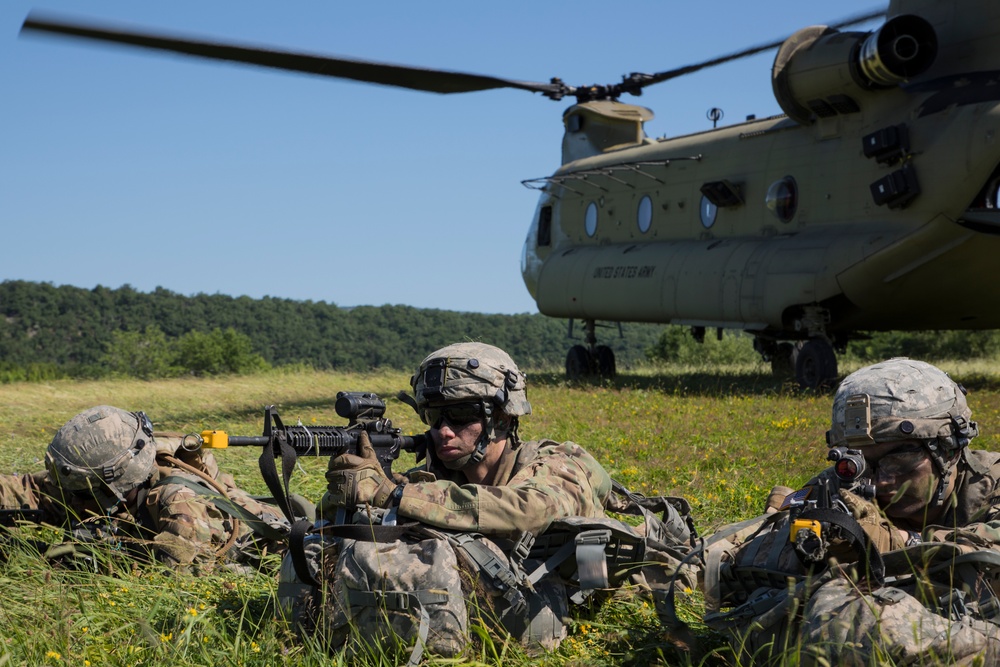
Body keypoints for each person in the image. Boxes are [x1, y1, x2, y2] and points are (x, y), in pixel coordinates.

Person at [704, 358, 1000, 664]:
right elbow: (745, 542)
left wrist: (892, 543)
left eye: (899, 458)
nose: (881, 480)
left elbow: (984, 554)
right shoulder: (844, 484)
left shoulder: (993, 483)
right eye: (859, 461)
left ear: (948, 448)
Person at [322, 341, 615, 537]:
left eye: (461, 414)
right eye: (434, 417)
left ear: (502, 418)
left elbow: (530, 510)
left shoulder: (556, 465)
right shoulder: (435, 479)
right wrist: (349, 491)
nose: (444, 431)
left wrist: (393, 495)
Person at [0, 405, 288, 571]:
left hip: (279, 563)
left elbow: (175, 581)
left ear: (114, 485)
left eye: (82, 494)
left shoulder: (180, 503)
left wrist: (65, 561)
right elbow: (27, 490)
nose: (71, 500)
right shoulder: (102, 486)